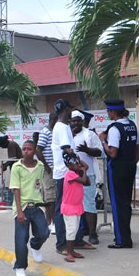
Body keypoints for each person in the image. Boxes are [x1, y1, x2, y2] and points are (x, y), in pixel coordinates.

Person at [99, 99, 139, 249]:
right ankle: (126, 237)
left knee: (117, 204)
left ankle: (121, 240)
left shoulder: (114, 129)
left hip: (117, 169)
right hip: (130, 167)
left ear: (112, 112)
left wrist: (103, 141)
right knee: (126, 203)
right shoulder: (132, 125)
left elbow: (112, 152)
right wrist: (132, 162)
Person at [51, 99, 92, 255]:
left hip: (68, 172)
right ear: (65, 110)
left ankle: (76, 240)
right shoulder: (61, 127)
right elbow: (68, 151)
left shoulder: (63, 126)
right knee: (63, 209)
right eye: (70, 109)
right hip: (65, 174)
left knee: (74, 207)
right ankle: (62, 244)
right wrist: (80, 166)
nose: (71, 112)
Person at [10, 139, 49, 276]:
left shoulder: (39, 165)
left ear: (34, 151)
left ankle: (35, 246)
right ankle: (20, 267)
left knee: (44, 232)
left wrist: (43, 199)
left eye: (29, 149)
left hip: (37, 205)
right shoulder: (17, 167)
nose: (26, 151)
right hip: (22, 207)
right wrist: (19, 211)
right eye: (24, 148)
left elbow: (39, 184)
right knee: (21, 239)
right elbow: (16, 189)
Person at [71, 111, 103, 245]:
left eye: (79, 120)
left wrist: (87, 149)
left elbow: (100, 151)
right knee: (73, 206)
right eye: (73, 120)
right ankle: (76, 233)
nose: (76, 123)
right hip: (71, 176)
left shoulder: (89, 134)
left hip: (87, 175)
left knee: (89, 205)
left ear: (82, 121)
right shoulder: (66, 134)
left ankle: (92, 234)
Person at [61, 152, 90, 263]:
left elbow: (87, 181)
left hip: (76, 206)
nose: (78, 164)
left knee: (75, 228)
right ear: (68, 165)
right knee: (71, 230)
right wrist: (83, 170)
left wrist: (79, 162)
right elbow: (84, 180)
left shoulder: (77, 173)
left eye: (78, 162)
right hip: (70, 207)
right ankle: (69, 253)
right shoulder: (69, 174)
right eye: (75, 163)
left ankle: (72, 251)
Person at [35, 111, 58, 227]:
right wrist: (47, 167)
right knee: (50, 197)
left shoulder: (53, 132)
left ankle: (51, 222)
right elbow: (38, 150)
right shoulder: (46, 132)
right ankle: (51, 223)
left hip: (54, 169)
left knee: (53, 197)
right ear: (54, 119)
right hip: (48, 170)